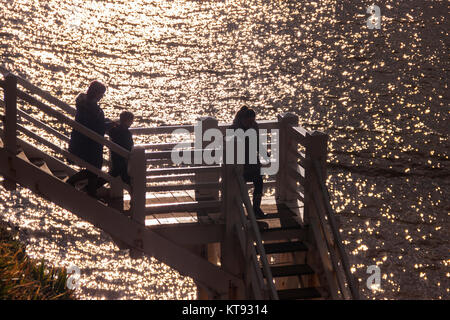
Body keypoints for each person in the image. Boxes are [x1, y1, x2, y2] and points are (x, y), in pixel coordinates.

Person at [67, 80, 112, 198]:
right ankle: (75, 182)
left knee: (95, 167)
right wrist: (107, 125)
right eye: (101, 94)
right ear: (96, 93)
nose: (102, 97)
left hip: (85, 141)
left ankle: (91, 190)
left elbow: (94, 122)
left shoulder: (85, 105)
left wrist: (106, 122)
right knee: (95, 167)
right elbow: (92, 125)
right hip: (87, 143)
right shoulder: (89, 107)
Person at [230, 106, 266, 219]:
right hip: (240, 163)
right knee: (241, 186)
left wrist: (264, 154)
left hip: (253, 161)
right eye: (249, 121)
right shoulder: (234, 129)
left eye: (253, 121)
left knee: (259, 183)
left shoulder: (254, 127)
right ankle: (239, 210)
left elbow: (256, 143)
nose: (251, 124)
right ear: (242, 120)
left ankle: (256, 208)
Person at [101, 111, 134, 185]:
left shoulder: (114, 129)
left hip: (115, 154)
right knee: (120, 174)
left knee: (116, 173)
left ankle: (94, 185)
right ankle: (93, 186)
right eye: (131, 121)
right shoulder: (125, 132)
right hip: (121, 156)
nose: (132, 123)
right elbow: (129, 144)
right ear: (126, 121)